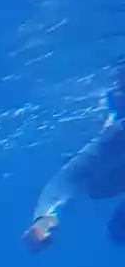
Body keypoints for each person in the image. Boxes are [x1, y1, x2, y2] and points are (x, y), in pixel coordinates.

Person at [23, 66, 125, 249]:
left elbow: (69, 177)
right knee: (116, 229)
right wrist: (45, 218)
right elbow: (69, 177)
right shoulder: (116, 136)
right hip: (106, 177)